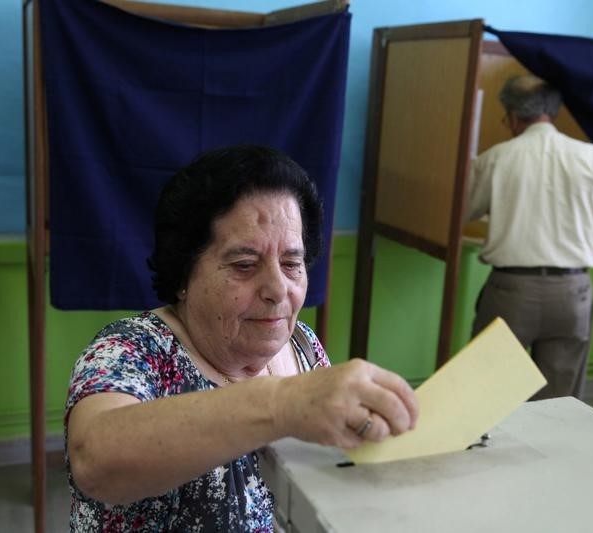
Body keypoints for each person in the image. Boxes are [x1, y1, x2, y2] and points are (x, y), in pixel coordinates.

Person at [65, 144, 420, 531]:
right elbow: (94, 460)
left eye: (291, 264)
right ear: (184, 274)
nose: (277, 289)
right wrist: (282, 402)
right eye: (245, 265)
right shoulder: (131, 350)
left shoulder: (301, 343)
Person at [466, 74, 593, 400]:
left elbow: (462, 210)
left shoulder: (495, 159)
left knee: (483, 388)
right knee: (558, 400)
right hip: (572, 294)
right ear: (553, 112)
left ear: (512, 116)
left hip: (512, 290)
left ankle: (482, 448)